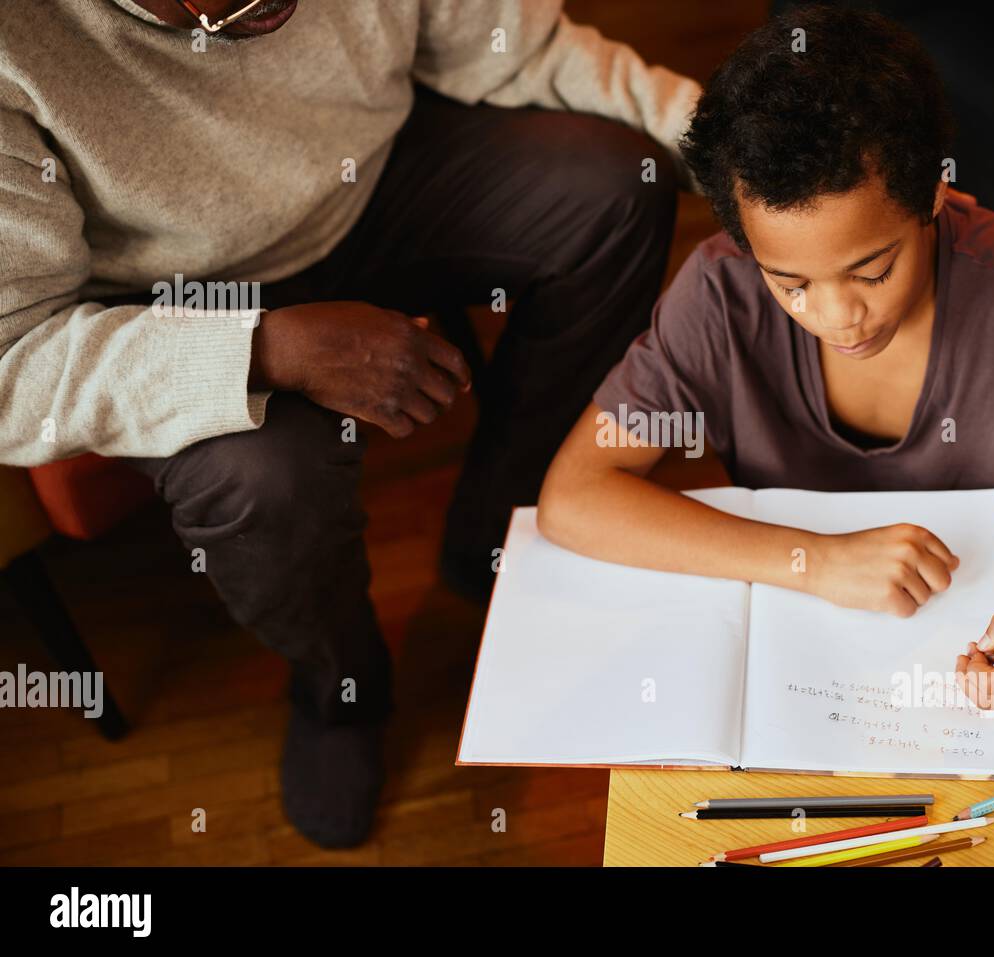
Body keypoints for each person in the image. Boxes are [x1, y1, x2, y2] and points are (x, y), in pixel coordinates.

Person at [0, 0, 700, 847]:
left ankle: (505, 532)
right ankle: (342, 691)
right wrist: (267, 347)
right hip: (159, 297)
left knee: (620, 190)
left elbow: (521, 43)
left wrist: (722, 144)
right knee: (265, 480)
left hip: (366, 177)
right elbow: (14, 361)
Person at [537, 7, 994, 720]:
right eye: (792, 284)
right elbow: (574, 497)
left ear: (934, 195)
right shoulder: (721, 292)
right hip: (797, 612)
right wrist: (816, 561)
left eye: (872, 270)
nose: (837, 316)